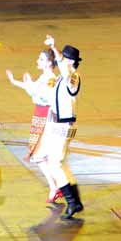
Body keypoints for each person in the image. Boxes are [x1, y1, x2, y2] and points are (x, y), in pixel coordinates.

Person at [6, 49, 63, 203]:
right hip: (40, 115)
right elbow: (33, 91)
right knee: (39, 155)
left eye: (41, 59)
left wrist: (29, 85)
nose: (38, 61)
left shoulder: (51, 79)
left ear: (49, 63)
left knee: (38, 155)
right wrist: (16, 82)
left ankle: (56, 186)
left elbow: (42, 94)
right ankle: (56, 186)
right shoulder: (44, 77)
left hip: (45, 116)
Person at [38, 34, 83, 219]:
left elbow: (65, 72)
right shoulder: (63, 77)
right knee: (60, 163)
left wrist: (55, 49)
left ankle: (72, 202)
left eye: (64, 57)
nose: (60, 60)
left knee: (55, 163)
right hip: (57, 123)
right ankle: (76, 201)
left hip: (64, 125)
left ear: (70, 61)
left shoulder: (73, 76)